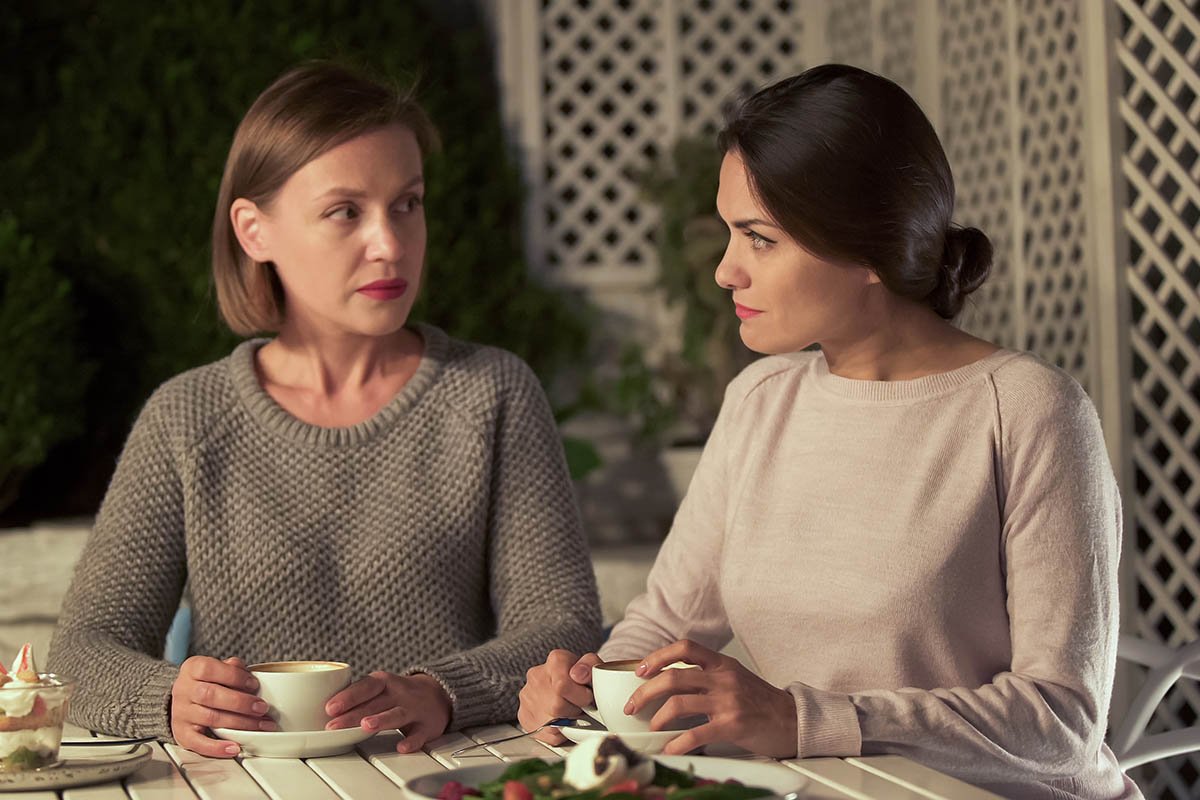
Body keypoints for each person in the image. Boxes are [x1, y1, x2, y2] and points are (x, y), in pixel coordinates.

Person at [518, 65, 1139, 800]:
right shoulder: (760, 401)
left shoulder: (1030, 410)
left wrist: (803, 719)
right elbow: (664, 623)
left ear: (869, 247)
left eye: (759, 239)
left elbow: (1061, 721)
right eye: (729, 234)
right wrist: (592, 685)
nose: (725, 272)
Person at [49, 61, 603, 758]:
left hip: (443, 779)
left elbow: (561, 624)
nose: (391, 244)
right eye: (346, 212)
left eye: (408, 203)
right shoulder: (187, 417)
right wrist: (168, 697)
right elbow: (82, 649)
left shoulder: (490, 393)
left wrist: (445, 690)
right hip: (247, 786)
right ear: (255, 231)